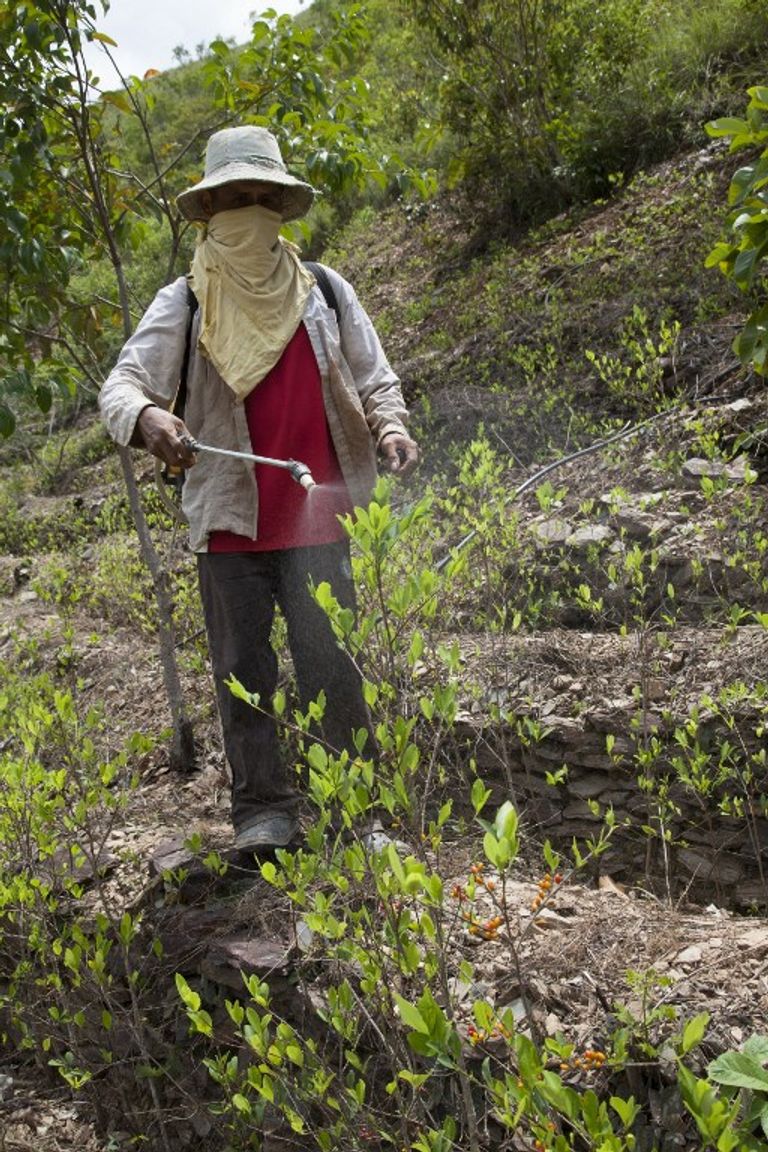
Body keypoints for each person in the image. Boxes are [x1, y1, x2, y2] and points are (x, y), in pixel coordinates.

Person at [99, 125, 418, 852]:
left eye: (260, 196)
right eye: (234, 198)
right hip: (231, 521)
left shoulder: (325, 292)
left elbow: (375, 379)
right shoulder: (184, 300)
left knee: (335, 669)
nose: (249, 210)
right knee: (244, 674)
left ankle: (355, 813)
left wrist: (391, 429)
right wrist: (150, 417)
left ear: (280, 204)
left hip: (322, 519)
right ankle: (263, 815)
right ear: (210, 212)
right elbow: (121, 385)